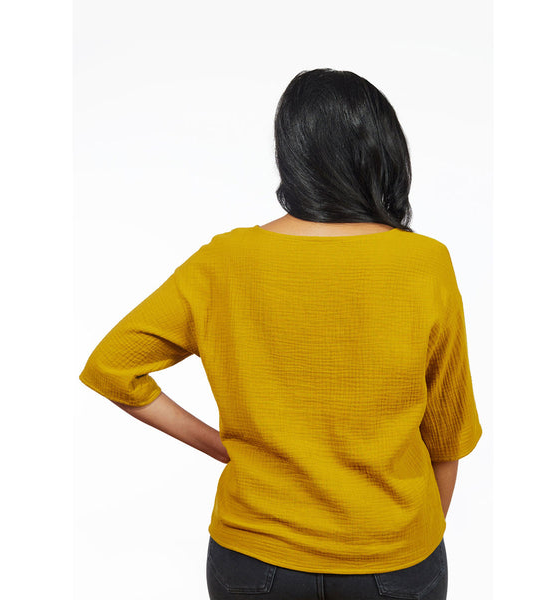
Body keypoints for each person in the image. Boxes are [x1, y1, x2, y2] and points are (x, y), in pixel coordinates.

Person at [79, 68, 483, 600]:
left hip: (253, 557)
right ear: (384, 151)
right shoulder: (424, 263)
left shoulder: (226, 261)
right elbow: (448, 434)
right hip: (393, 557)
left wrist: (222, 447)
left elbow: (112, 366)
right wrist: (416, 539)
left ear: (291, 155)